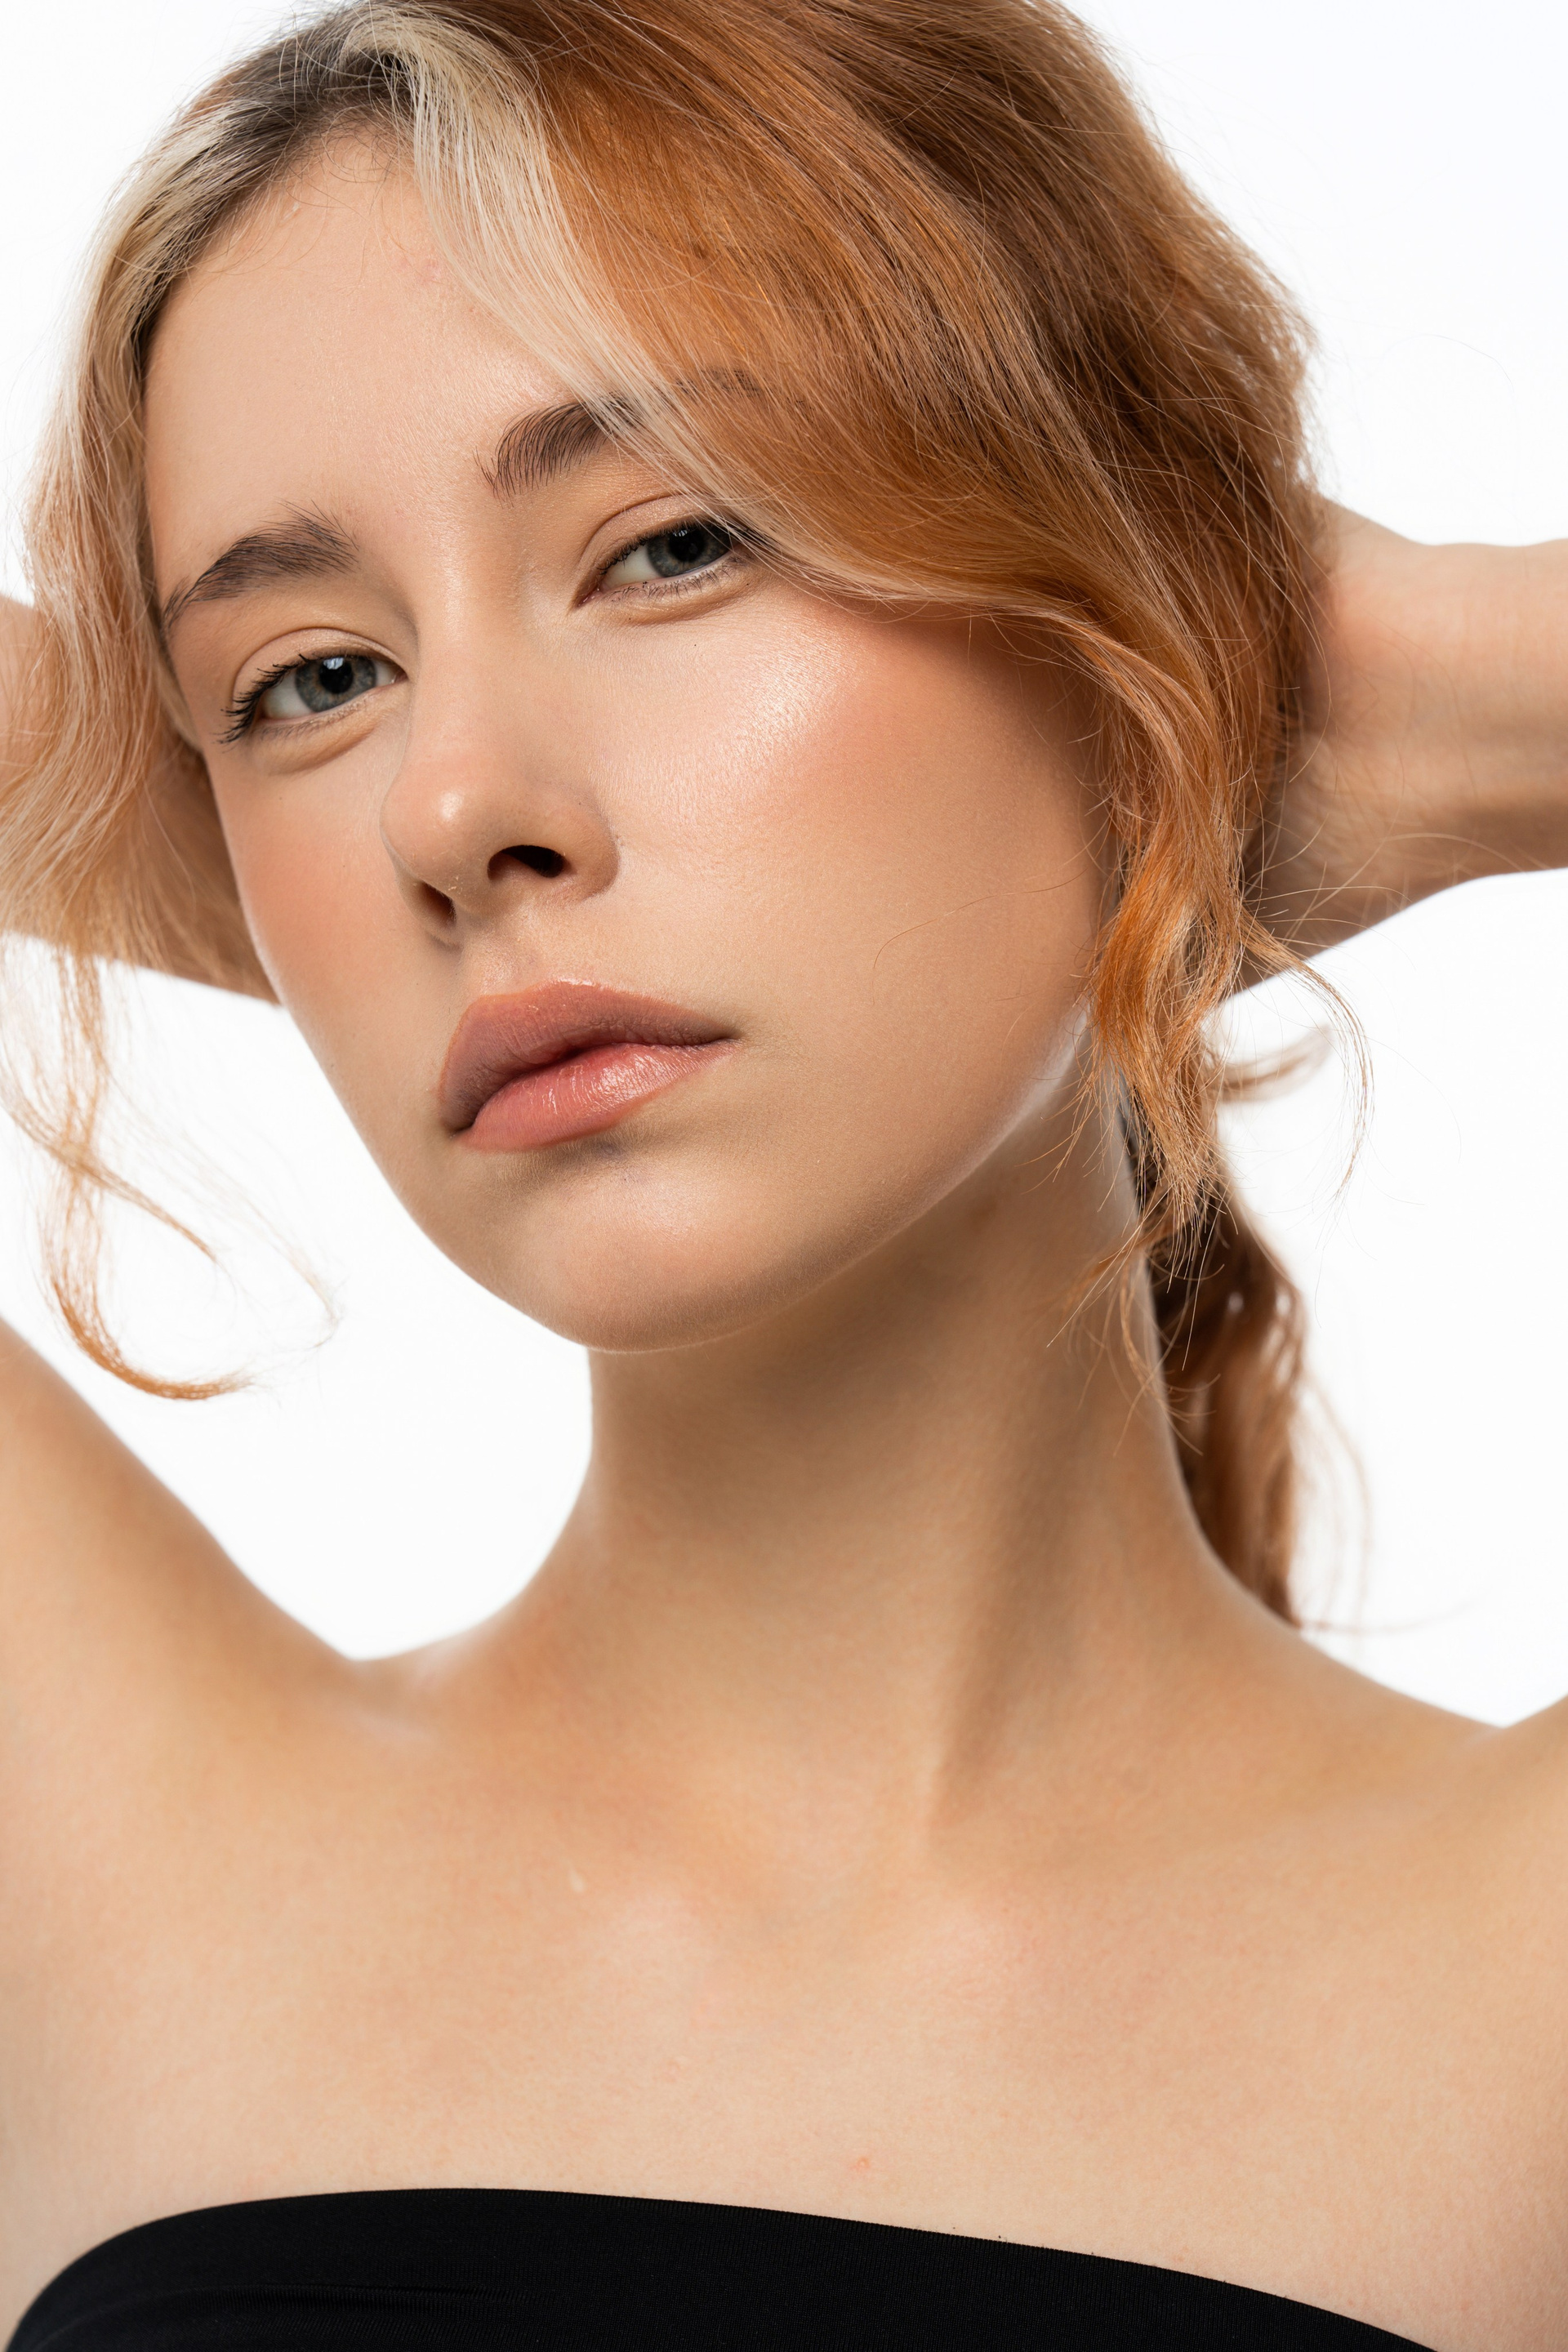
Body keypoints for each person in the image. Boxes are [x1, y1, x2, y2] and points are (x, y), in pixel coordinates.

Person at [0, 2, 1564, 2345]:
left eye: (672, 544)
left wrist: (1333, 681)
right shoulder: (83, 1833)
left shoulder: (1523, 1968)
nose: (452, 809)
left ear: (1119, 612)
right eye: (310, 681)